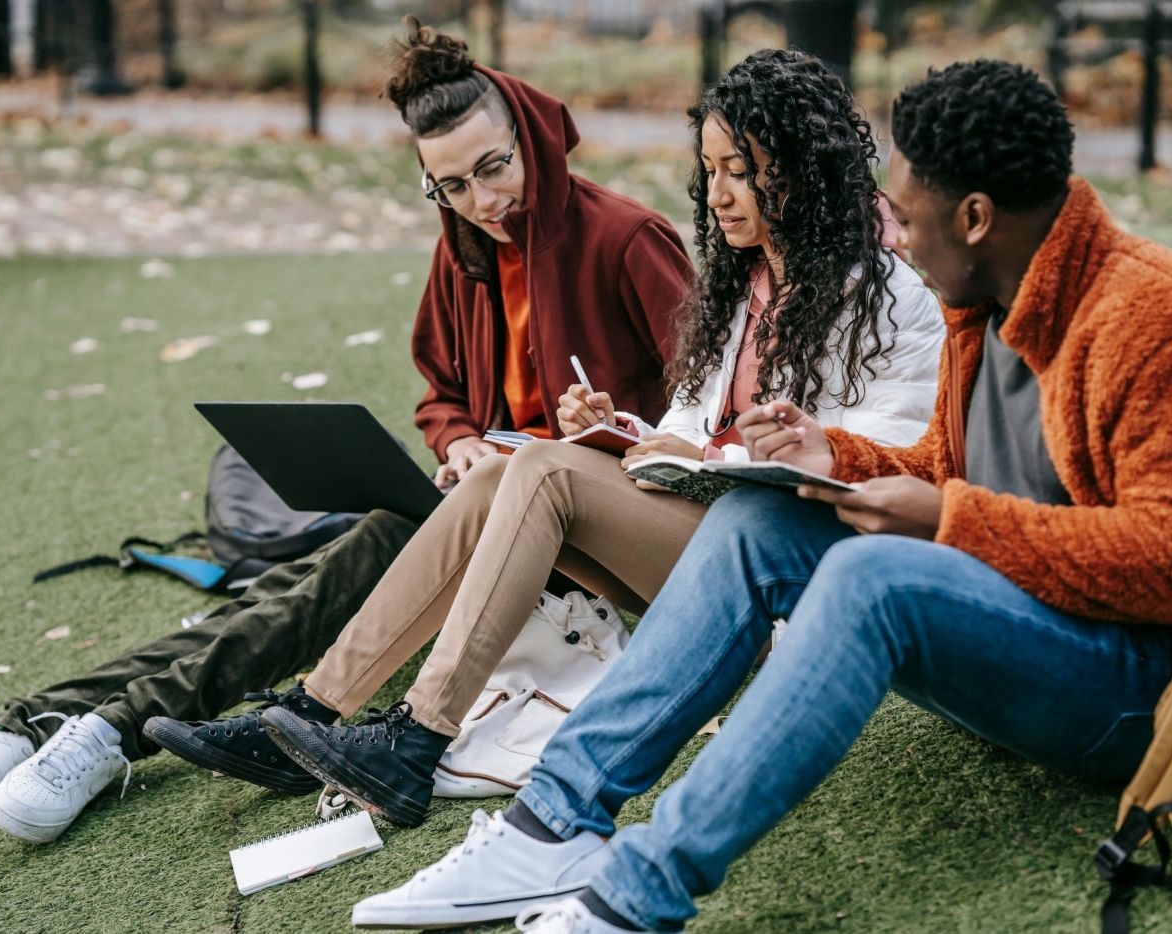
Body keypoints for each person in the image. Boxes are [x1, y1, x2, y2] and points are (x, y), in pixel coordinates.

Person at [340, 59, 1172, 933]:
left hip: (1159, 692)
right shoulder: (987, 299)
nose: (896, 232)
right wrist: (830, 453)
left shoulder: (1168, 327)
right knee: (761, 517)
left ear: (972, 216)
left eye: (909, 213)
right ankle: (551, 826)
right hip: (1036, 633)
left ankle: (632, 899)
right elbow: (950, 466)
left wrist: (954, 521)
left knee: (878, 579)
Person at [0, 17, 691, 844]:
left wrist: (605, 434)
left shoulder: (627, 241)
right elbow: (442, 394)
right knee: (299, 582)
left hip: (592, 542)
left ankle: (87, 732)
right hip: (489, 513)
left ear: (528, 139)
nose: (483, 202)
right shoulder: (465, 251)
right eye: (451, 185)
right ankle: (43, 724)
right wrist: (458, 442)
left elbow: (702, 424)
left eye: (494, 169)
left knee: (351, 558)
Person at [146, 48, 943, 830]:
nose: (720, 194)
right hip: (706, 528)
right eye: (713, 171)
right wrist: (618, 431)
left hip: (784, 564)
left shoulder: (892, 294)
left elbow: (905, 440)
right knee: (504, 472)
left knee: (543, 472)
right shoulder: (743, 283)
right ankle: (317, 707)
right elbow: (689, 426)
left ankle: (416, 739)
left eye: (742, 171)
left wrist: (793, 444)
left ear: (803, 169)